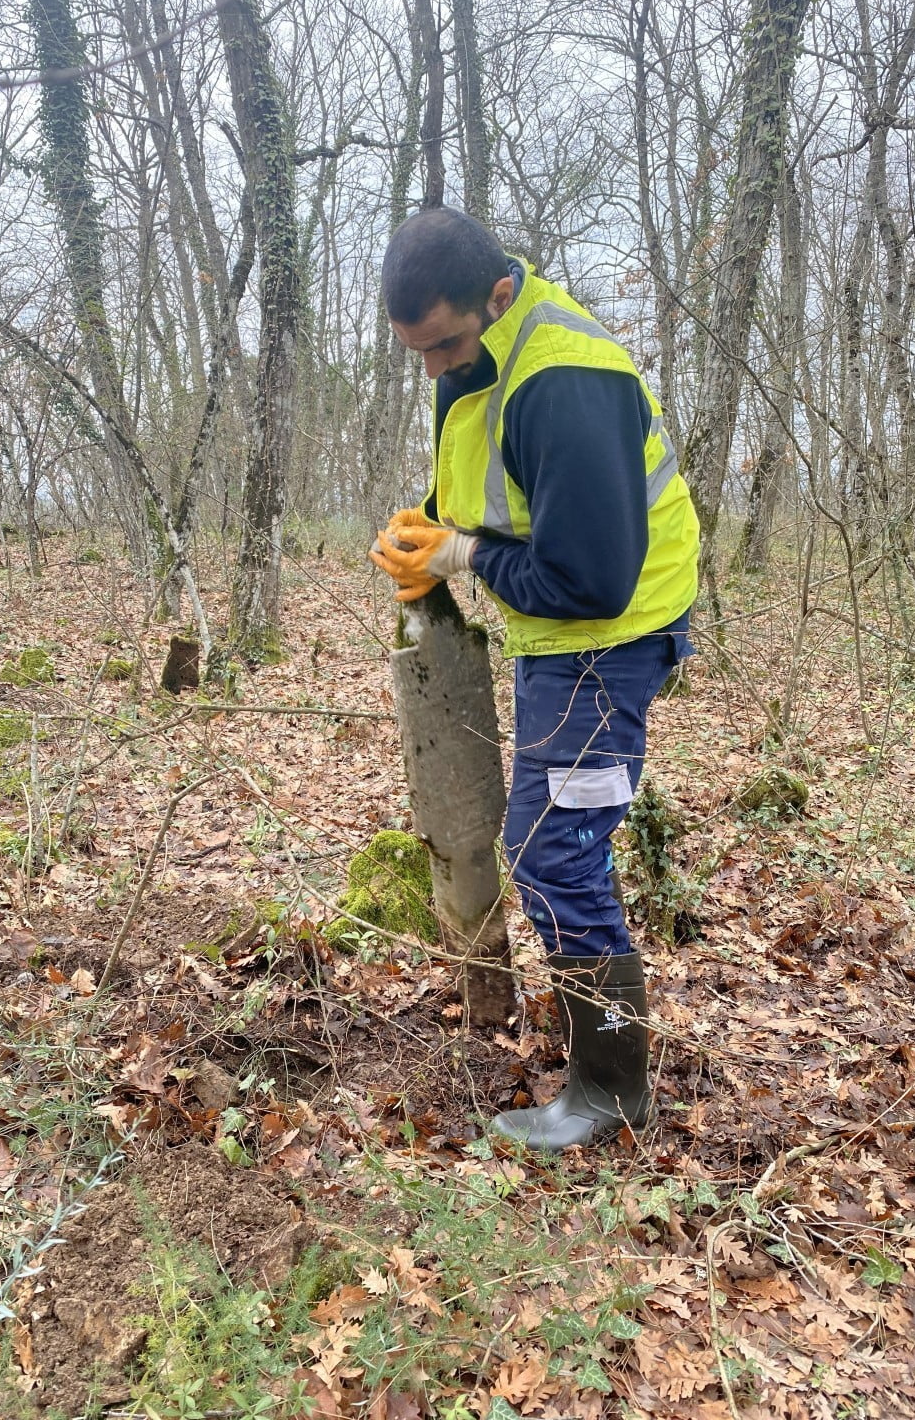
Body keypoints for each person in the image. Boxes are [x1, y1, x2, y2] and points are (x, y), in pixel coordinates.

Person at [369, 207, 700, 1152]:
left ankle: (609, 1094)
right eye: (415, 351)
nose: (433, 368)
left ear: (500, 296)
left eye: (444, 344)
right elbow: (495, 482)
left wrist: (464, 554)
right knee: (552, 843)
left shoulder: (563, 379)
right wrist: (429, 532)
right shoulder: (477, 358)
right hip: (556, 634)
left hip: (607, 633)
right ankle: (600, 1074)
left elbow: (590, 580)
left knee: (555, 849)